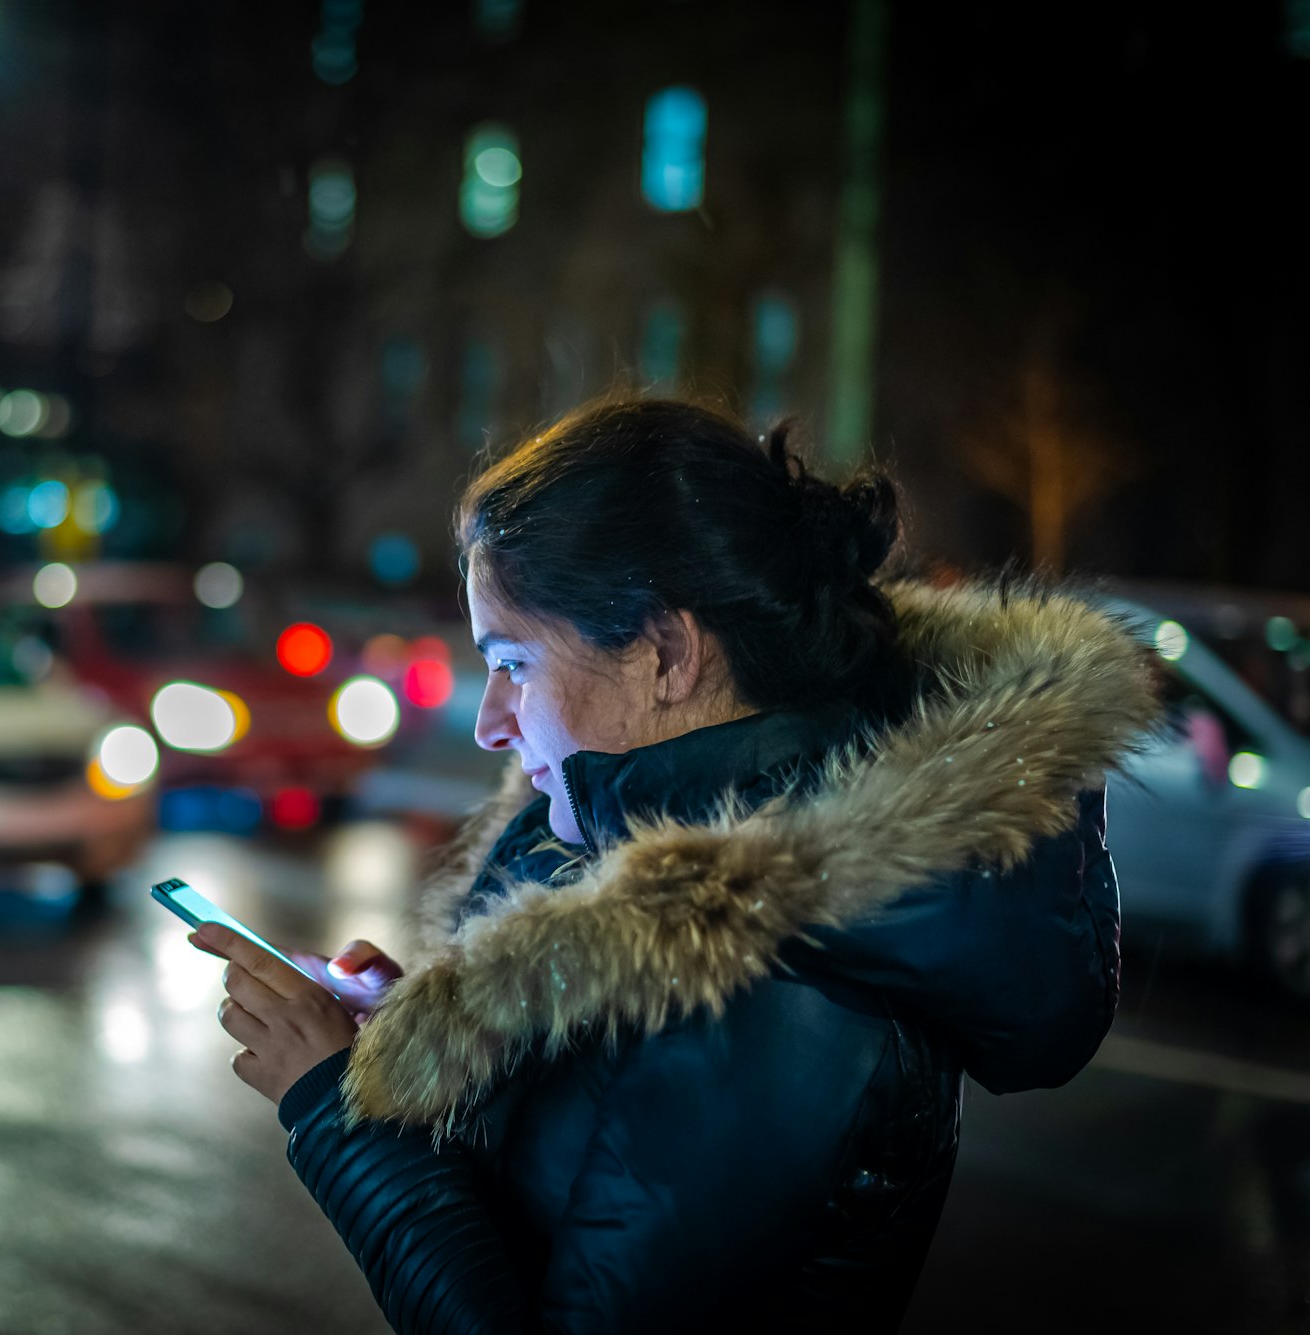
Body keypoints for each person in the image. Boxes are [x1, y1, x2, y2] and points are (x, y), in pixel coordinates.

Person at [191, 396, 1161, 1332]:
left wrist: (332, 1111)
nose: (490, 724)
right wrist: (456, 1037)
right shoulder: (681, 904)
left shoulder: (774, 988)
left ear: (664, 651)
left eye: (514, 664)